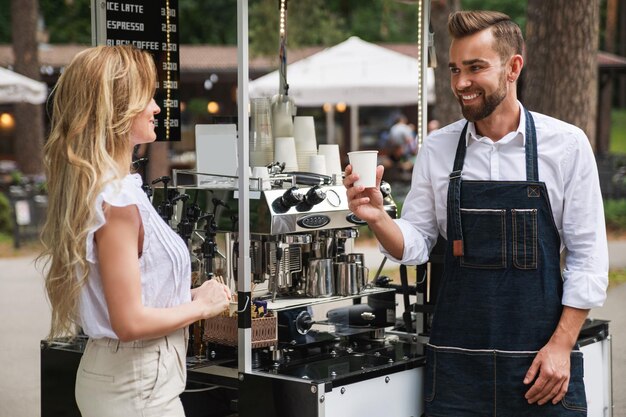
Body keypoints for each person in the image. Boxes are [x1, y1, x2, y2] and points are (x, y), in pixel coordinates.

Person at [344, 10, 608, 416]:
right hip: (457, 368)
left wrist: (560, 347)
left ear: (512, 67)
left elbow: (588, 259)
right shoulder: (437, 148)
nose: (461, 83)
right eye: (454, 69)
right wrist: (378, 218)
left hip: (541, 366)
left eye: (475, 67)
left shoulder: (567, 146)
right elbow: (414, 244)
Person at [40, 46, 231, 417]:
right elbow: (129, 322)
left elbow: (135, 295)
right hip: (137, 387)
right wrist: (200, 306)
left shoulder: (112, 189)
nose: (157, 107)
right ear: (117, 109)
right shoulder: (117, 204)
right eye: (148, 97)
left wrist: (189, 293)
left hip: (127, 379)